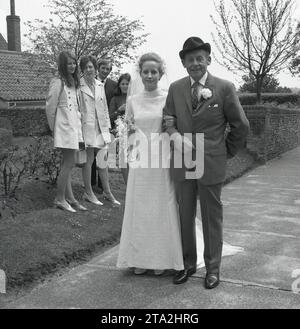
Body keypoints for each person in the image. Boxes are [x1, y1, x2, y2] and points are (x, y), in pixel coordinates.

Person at [163, 37, 250, 288]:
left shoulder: (223, 87)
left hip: (211, 160)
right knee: (185, 214)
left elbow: (240, 125)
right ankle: (187, 264)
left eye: (200, 58)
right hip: (182, 160)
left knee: (212, 216)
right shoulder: (175, 88)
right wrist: (174, 135)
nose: (195, 63)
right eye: (190, 59)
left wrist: (226, 151)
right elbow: (168, 117)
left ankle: (213, 269)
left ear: (208, 60)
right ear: (183, 63)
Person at [117, 53, 184, 275]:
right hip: (140, 159)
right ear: (140, 73)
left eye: (153, 71)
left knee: (160, 206)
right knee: (141, 207)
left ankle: (161, 259)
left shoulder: (168, 98)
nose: (149, 75)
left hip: (161, 156)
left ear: (160, 73)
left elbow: (173, 126)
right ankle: (139, 258)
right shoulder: (132, 101)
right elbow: (127, 129)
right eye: (145, 71)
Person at [45, 51, 87, 213]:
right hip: (64, 129)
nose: (72, 66)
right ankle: (59, 199)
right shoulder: (57, 82)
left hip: (73, 128)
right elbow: (50, 107)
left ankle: (70, 199)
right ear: (63, 65)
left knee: (67, 164)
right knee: (69, 163)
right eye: (69, 63)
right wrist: (53, 129)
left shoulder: (73, 82)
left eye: (74, 63)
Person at [79, 55, 120, 206]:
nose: (89, 69)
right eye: (86, 67)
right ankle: (88, 193)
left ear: (94, 68)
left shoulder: (99, 85)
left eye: (91, 67)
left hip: (101, 129)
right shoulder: (79, 86)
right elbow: (77, 110)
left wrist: (108, 128)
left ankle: (107, 192)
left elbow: (103, 109)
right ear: (82, 69)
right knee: (88, 161)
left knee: (103, 161)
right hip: (87, 129)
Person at [91, 58, 117, 194]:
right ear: (98, 68)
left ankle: (102, 186)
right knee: (91, 156)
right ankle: (91, 183)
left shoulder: (113, 85)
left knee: (103, 155)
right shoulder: (90, 82)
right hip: (93, 123)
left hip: (106, 124)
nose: (105, 71)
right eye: (103, 68)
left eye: (108, 69)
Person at [109, 73, 131, 184]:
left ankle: (135, 185)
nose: (125, 86)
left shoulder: (135, 98)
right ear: (119, 85)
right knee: (123, 160)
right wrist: (119, 110)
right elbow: (110, 117)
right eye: (123, 84)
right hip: (121, 132)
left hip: (135, 132)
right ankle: (128, 185)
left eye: (127, 83)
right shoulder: (115, 99)